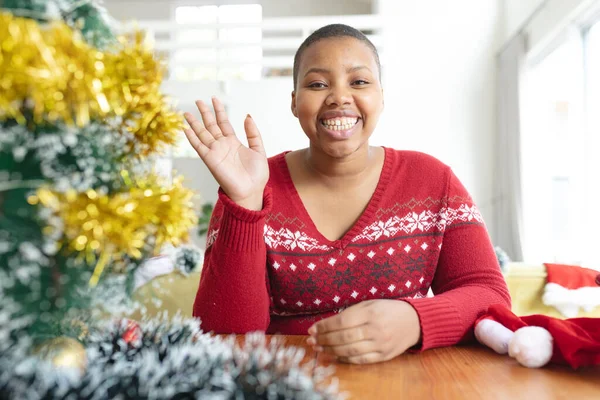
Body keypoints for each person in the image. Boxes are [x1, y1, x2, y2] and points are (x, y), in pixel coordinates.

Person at [183, 24, 511, 365]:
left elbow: (491, 296)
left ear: (381, 97)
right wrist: (246, 204)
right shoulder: (249, 185)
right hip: (289, 383)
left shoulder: (433, 180)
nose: (339, 96)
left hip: (406, 382)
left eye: (359, 82)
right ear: (295, 103)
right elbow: (224, 338)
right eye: (317, 84)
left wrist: (415, 319)